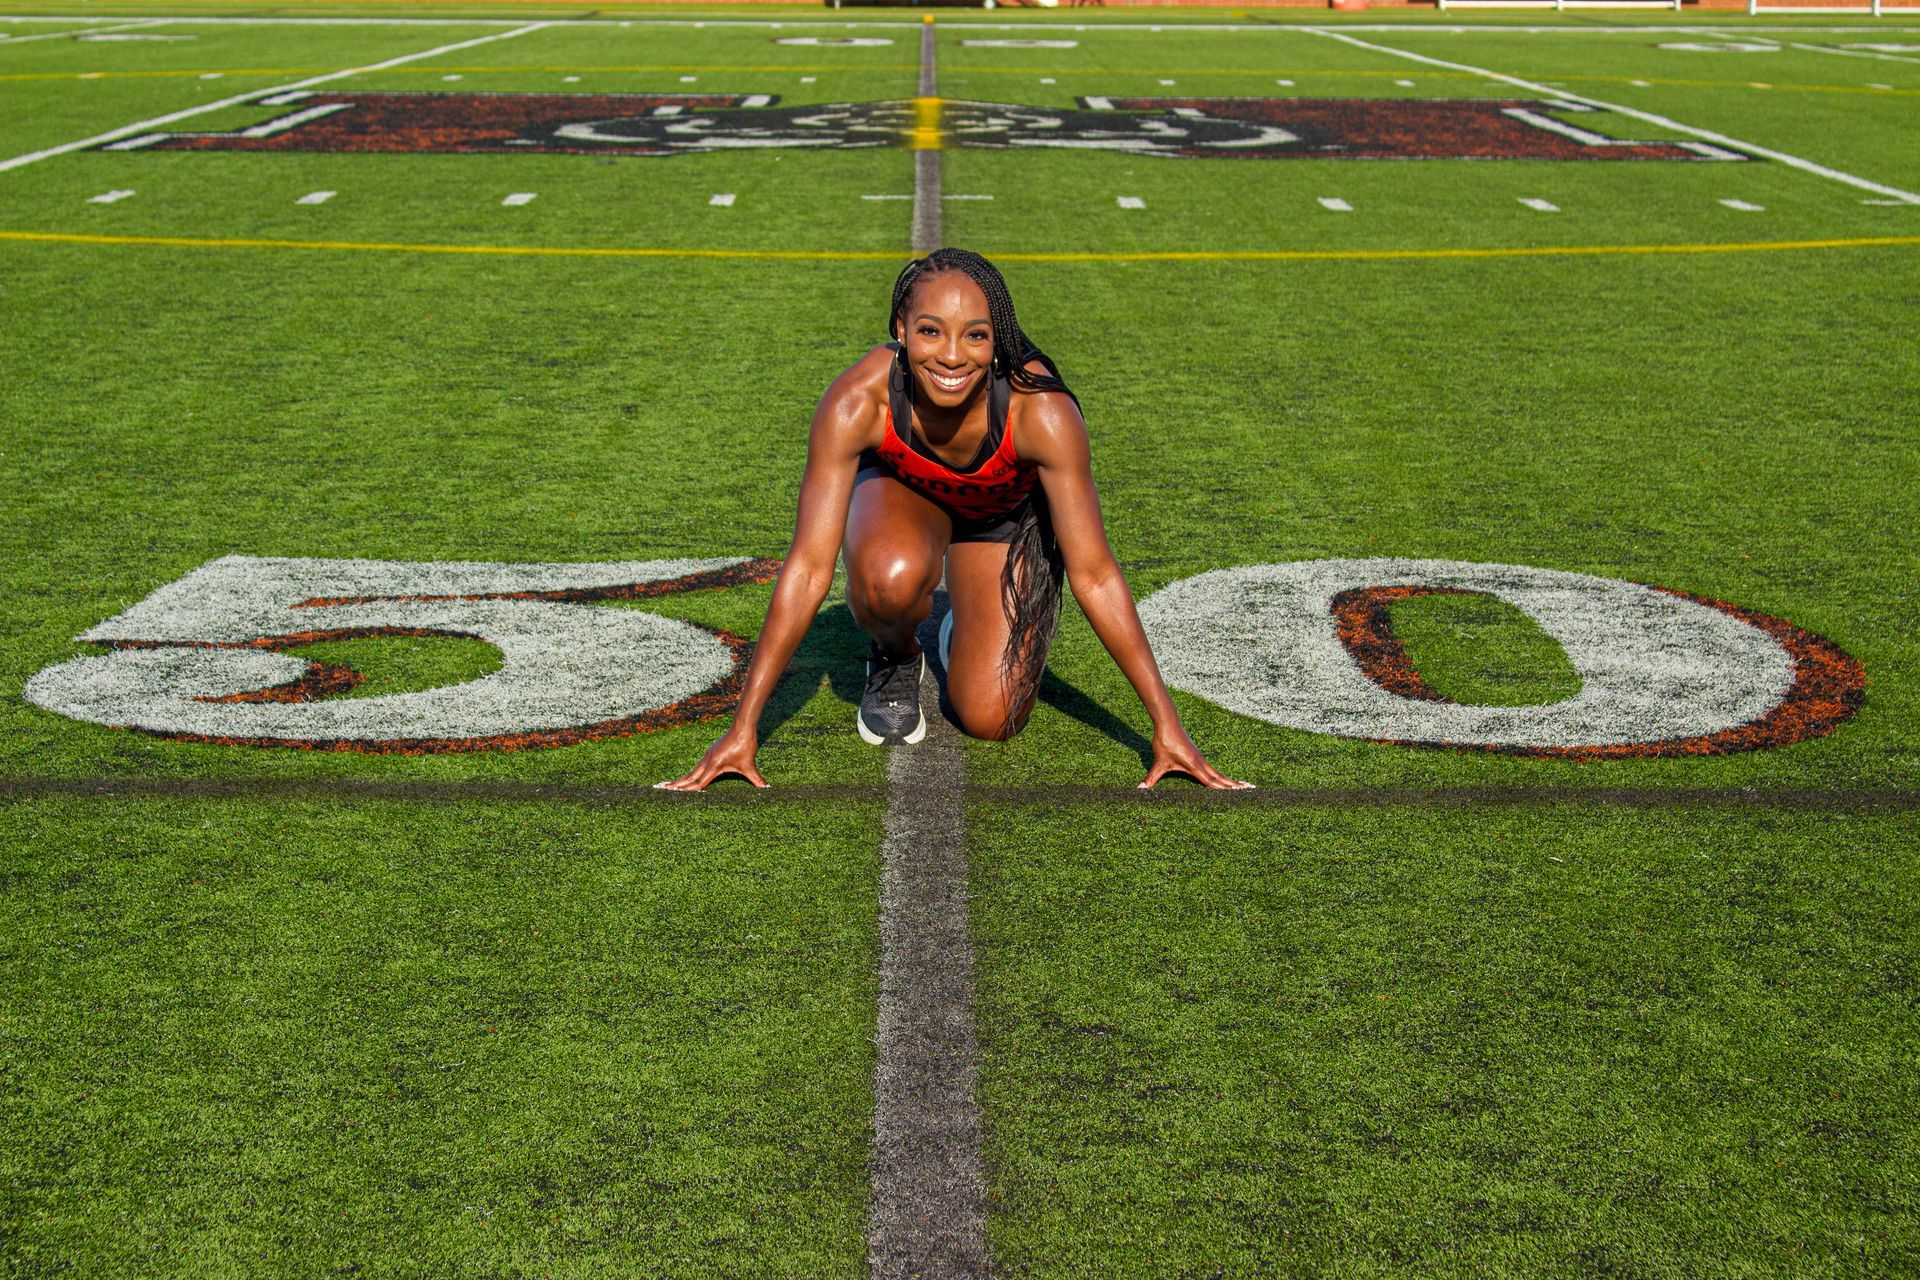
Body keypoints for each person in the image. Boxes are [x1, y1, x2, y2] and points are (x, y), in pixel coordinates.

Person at [659, 248, 1249, 792]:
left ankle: (961, 624)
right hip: (905, 498)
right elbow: (810, 569)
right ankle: (897, 652)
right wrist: (744, 728)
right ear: (900, 331)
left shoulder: (1040, 411)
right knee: (890, 577)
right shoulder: (859, 401)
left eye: (975, 336)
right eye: (930, 332)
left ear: (998, 342)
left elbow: (1094, 574)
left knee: (994, 716)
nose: (950, 355)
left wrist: (1166, 725)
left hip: (999, 523)